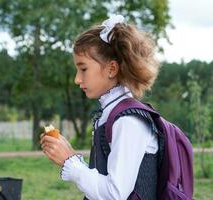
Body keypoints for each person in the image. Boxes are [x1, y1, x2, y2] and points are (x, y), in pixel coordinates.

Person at [40, 14, 160, 200]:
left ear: (111, 69)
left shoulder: (128, 121)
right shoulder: (111, 114)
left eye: (83, 69)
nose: (77, 79)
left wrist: (69, 161)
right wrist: (69, 154)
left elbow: (114, 194)